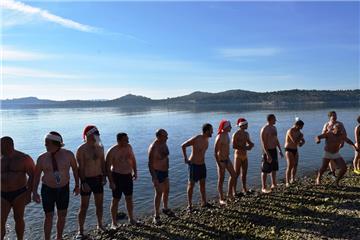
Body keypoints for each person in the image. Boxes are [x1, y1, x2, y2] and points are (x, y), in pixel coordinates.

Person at [32, 132, 80, 240]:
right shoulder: (42, 158)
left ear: (56, 143)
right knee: (48, 216)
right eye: (45, 143)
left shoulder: (68, 155)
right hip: (48, 189)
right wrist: (34, 192)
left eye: (47, 143)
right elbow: (36, 176)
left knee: (62, 214)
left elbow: (75, 170)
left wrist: (77, 185)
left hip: (64, 188)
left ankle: (59, 237)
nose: (45, 145)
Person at [1, 137, 35, 240]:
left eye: (1, 146)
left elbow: (32, 176)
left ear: (9, 145)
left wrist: (29, 193)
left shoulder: (24, 158)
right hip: (2, 194)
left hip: (19, 193)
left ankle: (20, 239)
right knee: (1, 220)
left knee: (18, 218)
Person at [76, 125, 106, 239]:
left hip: (98, 178)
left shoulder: (100, 147)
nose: (97, 136)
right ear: (88, 135)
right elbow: (80, 168)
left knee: (99, 204)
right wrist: (83, 182)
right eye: (95, 134)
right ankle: (81, 230)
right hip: (87, 180)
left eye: (98, 134)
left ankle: (100, 224)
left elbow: (102, 163)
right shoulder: (81, 149)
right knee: (84, 206)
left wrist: (104, 176)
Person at [106, 133, 138, 228]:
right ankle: (114, 222)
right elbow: (107, 168)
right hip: (117, 177)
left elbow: (133, 160)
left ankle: (131, 218)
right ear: (119, 141)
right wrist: (111, 182)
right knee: (116, 199)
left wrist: (135, 171)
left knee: (129, 198)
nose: (128, 141)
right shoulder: (112, 151)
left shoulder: (129, 147)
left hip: (128, 176)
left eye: (128, 139)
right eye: (125, 140)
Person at [181, 123, 213, 212]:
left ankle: (204, 202)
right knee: (191, 185)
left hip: (202, 165)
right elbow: (183, 145)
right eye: (211, 131)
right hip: (194, 165)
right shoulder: (197, 138)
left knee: (203, 184)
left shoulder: (206, 139)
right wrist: (185, 158)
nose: (212, 132)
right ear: (206, 131)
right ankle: (189, 205)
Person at [148, 129, 173, 225]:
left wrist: (167, 169)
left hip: (165, 171)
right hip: (157, 172)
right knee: (158, 193)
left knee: (167, 190)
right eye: (165, 136)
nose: (167, 137)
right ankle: (156, 215)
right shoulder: (153, 147)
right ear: (159, 136)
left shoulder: (164, 143)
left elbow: (166, 157)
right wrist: (154, 178)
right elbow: (150, 164)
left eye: (167, 135)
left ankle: (165, 208)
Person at [214, 120, 237, 204]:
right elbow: (215, 152)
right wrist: (219, 164)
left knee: (234, 175)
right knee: (221, 179)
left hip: (227, 159)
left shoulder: (227, 135)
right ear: (225, 127)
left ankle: (229, 193)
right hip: (221, 161)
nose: (231, 127)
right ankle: (221, 198)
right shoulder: (219, 137)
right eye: (229, 126)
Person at [260, 114, 284, 193]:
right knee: (265, 170)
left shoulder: (274, 128)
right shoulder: (264, 129)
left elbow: (276, 139)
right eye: (274, 119)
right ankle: (263, 187)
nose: (275, 121)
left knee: (274, 168)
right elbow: (263, 143)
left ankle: (274, 184)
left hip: (274, 150)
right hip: (267, 151)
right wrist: (267, 154)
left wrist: (280, 150)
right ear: (270, 119)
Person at [232, 118, 254, 195]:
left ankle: (244, 189)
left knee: (244, 173)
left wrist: (251, 145)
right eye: (246, 124)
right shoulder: (236, 134)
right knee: (236, 174)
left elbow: (249, 142)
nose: (247, 125)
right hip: (238, 156)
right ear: (242, 125)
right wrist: (245, 147)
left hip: (245, 155)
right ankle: (234, 191)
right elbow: (234, 146)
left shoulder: (246, 134)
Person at [322, 111, 347, 177]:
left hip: (337, 143)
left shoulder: (340, 124)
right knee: (330, 158)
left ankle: (334, 170)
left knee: (333, 157)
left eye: (335, 115)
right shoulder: (327, 124)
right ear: (330, 117)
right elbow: (323, 134)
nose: (335, 117)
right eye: (333, 116)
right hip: (329, 144)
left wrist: (342, 142)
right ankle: (333, 172)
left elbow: (344, 133)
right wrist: (327, 131)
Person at [284, 119, 305, 187]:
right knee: (290, 166)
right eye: (300, 127)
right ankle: (287, 182)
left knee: (295, 165)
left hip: (295, 149)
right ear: (297, 125)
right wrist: (300, 137)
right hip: (288, 149)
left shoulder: (299, 132)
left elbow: (302, 142)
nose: (301, 128)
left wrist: (302, 143)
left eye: (302, 127)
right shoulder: (290, 131)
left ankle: (293, 179)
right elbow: (294, 141)